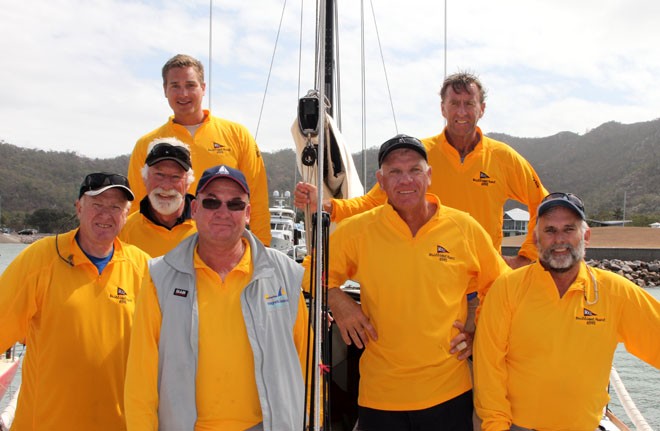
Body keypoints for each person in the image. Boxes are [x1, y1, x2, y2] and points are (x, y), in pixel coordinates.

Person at [326, 135, 510, 431]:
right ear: (381, 181)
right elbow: (313, 270)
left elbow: (502, 289)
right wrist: (338, 299)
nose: (405, 180)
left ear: (429, 176)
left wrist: (479, 332)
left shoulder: (463, 228)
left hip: (449, 392)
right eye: (394, 172)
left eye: (414, 170)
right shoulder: (359, 230)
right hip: (380, 395)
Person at [295, 71, 548, 269]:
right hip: (431, 277)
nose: (461, 111)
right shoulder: (420, 157)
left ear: (481, 109)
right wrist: (328, 205)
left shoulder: (503, 158)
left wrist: (527, 257)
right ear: (442, 108)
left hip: (485, 285)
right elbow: (374, 202)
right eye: (454, 103)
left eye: (469, 103)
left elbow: (545, 205)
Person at [124, 165, 309, 431]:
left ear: (247, 214)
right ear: (195, 209)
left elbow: (304, 361)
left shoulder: (286, 274)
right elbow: (140, 377)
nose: (223, 212)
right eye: (211, 202)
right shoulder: (159, 276)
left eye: (235, 204)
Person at [473, 192, 660, 431]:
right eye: (549, 230)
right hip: (516, 426)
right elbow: (488, 368)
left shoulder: (615, 292)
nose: (559, 239)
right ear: (536, 239)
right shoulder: (507, 289)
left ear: (586, 236)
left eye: (569, 229)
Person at [0, 172, 150, 430]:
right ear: (79, 208)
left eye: (116, 207)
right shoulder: (40, 259)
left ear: (127, 214)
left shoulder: (143, 266)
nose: (106, 214)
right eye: (97, 205)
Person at [127, 53, 271, 246]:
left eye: (190, 85)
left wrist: (264, 250)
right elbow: (135, 207)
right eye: (175, 86)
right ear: (165, 90)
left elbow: (258, 200)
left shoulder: (238, 135)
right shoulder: (146, 144)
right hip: (160, 252)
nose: (183, 94)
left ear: (203, 88)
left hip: (221, 250)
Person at [120, 137, 197, 256]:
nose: (166, 186)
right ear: (145, 178)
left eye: (175, 177)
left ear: (188, 183)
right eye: (159, 174)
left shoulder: (209, 228)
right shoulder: (123, 232)